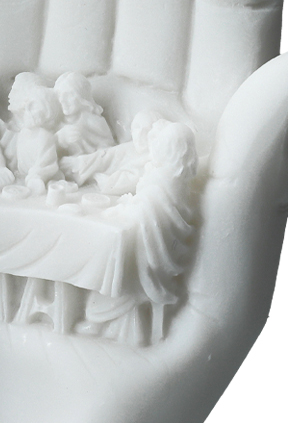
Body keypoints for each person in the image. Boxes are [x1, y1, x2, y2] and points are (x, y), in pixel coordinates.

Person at [133, 121, 199, 332]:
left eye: (159, 144)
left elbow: (142, 195)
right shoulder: (180, 178)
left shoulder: (160, 176)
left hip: (157, 249)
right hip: (172, 243)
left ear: (169, 149)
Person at [62, 109, 160, 194]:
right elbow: (109, 155)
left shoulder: (150, 159)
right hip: (90, 169)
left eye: (146, 130)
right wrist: (82, 163)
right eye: (136, 128)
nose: (140, 134)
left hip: (105, 182)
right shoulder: (133, 146)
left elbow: (125, 181)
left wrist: (99, 177)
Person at [8, 82, 62, 194]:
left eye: (33, 106)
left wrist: (35, 177)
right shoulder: (22, 133)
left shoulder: (44, 136)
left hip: (37, 179)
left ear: (47, 112)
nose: (26, 110)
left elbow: (46, 165)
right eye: (26, 104)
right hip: (23, 178)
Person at [54, 72, 115, 157]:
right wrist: (61, 139)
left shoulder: (93, 121)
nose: (62, 100)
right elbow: (47, 149)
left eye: (68, 95)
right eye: (59, 96)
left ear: (82, 97)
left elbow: (109, 147)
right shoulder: (56, 123)